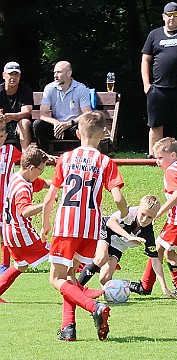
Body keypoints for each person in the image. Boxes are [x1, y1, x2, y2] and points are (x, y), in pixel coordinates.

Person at [41, 110, 131, 342]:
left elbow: (51, 197)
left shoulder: (66, 158)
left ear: (78, 132)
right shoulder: (105, 162)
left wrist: (45, 223)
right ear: (103, 135)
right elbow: (119, 198)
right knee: (69, 277)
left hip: (66, 225)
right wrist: (123, 214)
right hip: (90, 227)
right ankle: (68, 327)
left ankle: (94, 307)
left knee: (56, 279)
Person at [133, 137, 177, 296]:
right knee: (168, 251)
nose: (157, 161)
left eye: (159, 158)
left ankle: (145, 286)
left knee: (156, 248)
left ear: (172, 156)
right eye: (155, 158)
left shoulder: (171, 171)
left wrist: (159, 211)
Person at [78, 194, 177, 299]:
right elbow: (110, 222)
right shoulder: (128, 213)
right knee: (101, 257)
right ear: (138, 208)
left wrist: (164, 288)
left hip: (118, 245)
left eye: (149, 217)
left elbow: (155, 261)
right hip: (105, 230)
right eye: (142, 214)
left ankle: (131, 286)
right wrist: (129, 237)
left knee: (104, 279)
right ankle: (77, 289)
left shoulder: (148, 233)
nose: (144, 220)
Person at [141, 2, 177, 159]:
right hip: (158, 89)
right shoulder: (154, 35)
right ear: (163, 17)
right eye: (168, 15)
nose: (171, 18)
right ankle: (153, 157)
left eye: (175, 15)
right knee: (155, 125)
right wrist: (147, 85)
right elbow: (145, 60)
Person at [0, 145, 50, 303]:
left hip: (9, 234)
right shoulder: (22, 188)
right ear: (31, 168)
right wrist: (46, 204)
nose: (41, 173)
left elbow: (43, 183)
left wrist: (61, 184)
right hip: (21, 234)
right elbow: (25, 211)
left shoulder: (17, 177)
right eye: (40, 170)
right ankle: (81, 291)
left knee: (20, 265)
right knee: (61, 256)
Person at [32, 61, 92, 153]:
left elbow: (87, 114)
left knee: (84, 127)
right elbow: (43, 114)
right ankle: (44, 156)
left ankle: (82, 155)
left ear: (69, 73)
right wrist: (55, 123)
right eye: (54, 72)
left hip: (73, 126)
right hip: (56, 127)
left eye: (59, 72)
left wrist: (68, 124)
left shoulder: (81, 89)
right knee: (38, 125)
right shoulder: (49, 88)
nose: (55, 75)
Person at [0, 118, 22, 274]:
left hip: (4, 200)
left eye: (1, 134)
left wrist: (44, 157)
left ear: (6, 134)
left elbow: (27, 160)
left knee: (5, 233)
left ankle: (5, 264)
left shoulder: (10, 151)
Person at [0, 61, 34, 151]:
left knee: (24, 122)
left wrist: (11, 116)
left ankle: (25, 156)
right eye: (10, 74)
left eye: (16, 74)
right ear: (4, 75)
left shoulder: (25, 89)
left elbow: (26, 112)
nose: (13, 77)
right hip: (2, 124)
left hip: (19, 125)